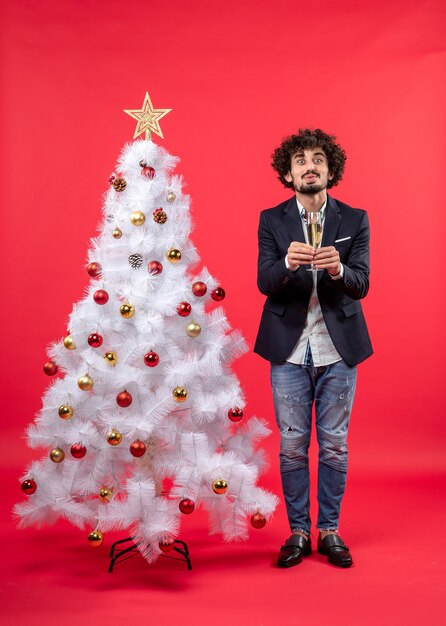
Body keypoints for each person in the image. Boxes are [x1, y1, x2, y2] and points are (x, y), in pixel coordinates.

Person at [254, 128, 372, 568]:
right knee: (291, 445)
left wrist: (340, 268)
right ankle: (298, 533)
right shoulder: (272, 219)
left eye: (317, 160)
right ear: (288, 173)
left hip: (339, 350)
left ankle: (330, 532)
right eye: (300, 161)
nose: (309, 167)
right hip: (288, 351)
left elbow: (362, 285)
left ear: (330, 169)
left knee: (335, 445)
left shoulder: (355, 219)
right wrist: (287, 263)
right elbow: (265, 282)